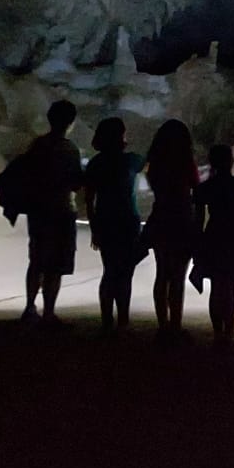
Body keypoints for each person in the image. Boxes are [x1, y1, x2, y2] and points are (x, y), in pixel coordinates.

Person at [17, 100, 83, 325]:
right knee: (55, 264)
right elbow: (75, 182)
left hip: (39, 210)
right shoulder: (69, 149)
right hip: (62, 210)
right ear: (71, 122)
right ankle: (49, 312)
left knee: (36, 259)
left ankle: (29, 307)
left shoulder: (38, 145)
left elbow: (26, 174)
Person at [84, 117, 145, 334]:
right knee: (125, 273)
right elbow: (148, 162)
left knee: (109, 271)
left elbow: (89, 199)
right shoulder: (131, 161)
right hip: (128, 221)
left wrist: (94, 228)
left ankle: (107, 320)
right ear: (120, 137)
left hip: (106, 221)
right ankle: (123, 321)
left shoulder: (95, 164)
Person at [144, 119, 199, 341]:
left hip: (161, 218)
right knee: (178, 277)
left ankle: (163, 326)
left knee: (162, 273)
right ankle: (175, 326)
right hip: (182, 219)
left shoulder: (155, 164)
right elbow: (196, 188)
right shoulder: (186, 163)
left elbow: (153, 183)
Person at [192, 144, 234, 344]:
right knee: (231, 288)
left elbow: (198, 219)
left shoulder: (205, 188)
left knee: (217, 288)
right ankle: (229, 334)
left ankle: (218, 333)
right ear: (231, 161)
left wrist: (198, 244)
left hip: (214, 236)